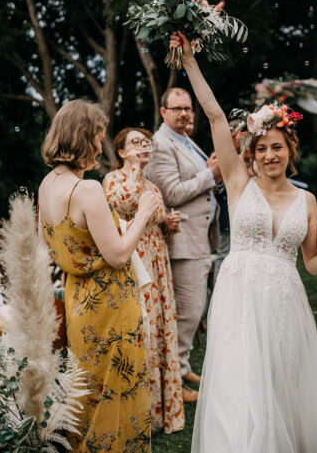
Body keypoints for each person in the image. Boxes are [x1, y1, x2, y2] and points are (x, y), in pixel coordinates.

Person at [169, 32, 317, 452]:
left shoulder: (307, 199)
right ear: (253, 152)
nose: (269, 155)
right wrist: (190, 61)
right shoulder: (237, 183)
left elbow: (312, 263)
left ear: (290, 150)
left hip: (285, 299)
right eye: (262, 148)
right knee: (239, 382)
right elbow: (213, 117)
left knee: (283, 381)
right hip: (238, 293)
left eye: (277, 148)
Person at [38, 99, 153, 452]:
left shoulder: (46, 185)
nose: (101, 146)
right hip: (111, 304)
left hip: (78, 303)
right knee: (118, 390)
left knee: (89, 392)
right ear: (84, 138)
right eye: (99, 137)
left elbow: (49, 248)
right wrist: (142, 215)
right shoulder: (86, 189)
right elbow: (118, 255)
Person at [102, 127, 187, 430]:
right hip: (133, 263)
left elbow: (158, 221)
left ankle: (164, 412)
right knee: (143, 331)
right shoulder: (111, 181)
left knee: (162, 328)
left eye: (146, 142)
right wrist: (135, 170)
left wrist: (169, 223)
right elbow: (124, 205)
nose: (143, 146)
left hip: (158, 263)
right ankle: (141, 415)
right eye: (135, 143)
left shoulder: (153, 184)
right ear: (121, 151)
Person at [144, 87, 221, 386]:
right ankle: (174, 378)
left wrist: (214, 175)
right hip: (181, 241)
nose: (184, 113)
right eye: (176, 109)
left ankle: (182, 367)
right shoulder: (160, 144)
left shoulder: (185, 140)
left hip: (199, 238)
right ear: (163, 112)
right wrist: (210, 175)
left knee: (192, 310)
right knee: (187, 312)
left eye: (187, 108)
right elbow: (170, 194)